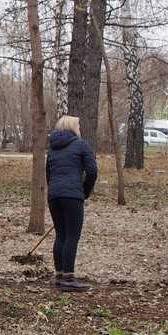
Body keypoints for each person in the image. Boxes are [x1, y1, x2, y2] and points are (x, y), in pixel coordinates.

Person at [46, 115, 98, 293]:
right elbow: (92, 171)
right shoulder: (81, 145)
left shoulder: (52, 149)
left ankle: (59, 275)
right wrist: (84, 191)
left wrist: (54, 191)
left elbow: (49, 174)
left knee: (60, 234)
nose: (80, 128)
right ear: (73, 127)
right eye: (79, 125)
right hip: (72, 196)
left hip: (54, 196)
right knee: (71, 236)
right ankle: (69, 277)